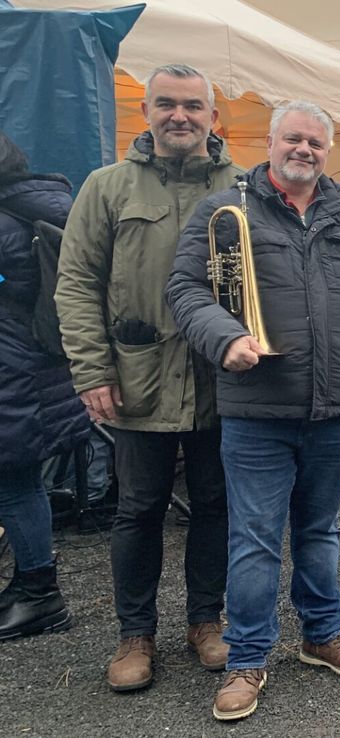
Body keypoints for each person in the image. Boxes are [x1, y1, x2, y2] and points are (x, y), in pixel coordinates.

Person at [166, 101, 340, 720]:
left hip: (337, 408)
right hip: (256, 410)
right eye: (293, 140)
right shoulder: (226, 209)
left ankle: (322, 636)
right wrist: (225, 338)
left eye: (316, 144)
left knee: (321, 530)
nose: (304, 150)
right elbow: (185, 289)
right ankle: (248, 659)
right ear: (270, 143)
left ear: (329, 152)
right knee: (254, 539)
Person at [56, 64, 241, 691]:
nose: (180, 116)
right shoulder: (106, 188)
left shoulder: (245, 187)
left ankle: (205, 622)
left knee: (216, 503)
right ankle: (134, 634)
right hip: (139, 378)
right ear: (147, 112)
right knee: (138, 507)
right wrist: (90, 370)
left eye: (194, 105)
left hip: (224, 381)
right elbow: (76, 284)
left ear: (214, 117)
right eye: (167, 104)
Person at [0, 130, 88, 640]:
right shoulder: (36, 206)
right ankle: (31, 584)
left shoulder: (6, 222)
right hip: (32, 368)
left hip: (12, 373)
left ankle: (39, 592)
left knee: (14, 484)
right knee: (19, 481)